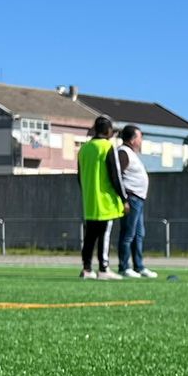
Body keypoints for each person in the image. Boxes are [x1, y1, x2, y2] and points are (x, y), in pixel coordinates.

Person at [76, 115, 125, 280]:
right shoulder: (107, 147)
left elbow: (79, 176)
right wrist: (124, 199)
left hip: (89, 200)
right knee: (104, 234)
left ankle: (87, 268)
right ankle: (104, 268)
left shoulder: (84, 148)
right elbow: (115, 175)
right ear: (108, 130)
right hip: (105, 200)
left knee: (90, 236)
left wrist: (87, 191)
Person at [112, 124, 155, 278]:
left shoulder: (131, 153)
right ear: (132, 139)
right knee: (128, 234)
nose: (141, 140)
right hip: (130, 197)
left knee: (138, 234)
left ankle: (139, 266)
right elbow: (117, 176)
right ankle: (124, 266)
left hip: (138, 198)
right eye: (139, 137)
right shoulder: (123, 152)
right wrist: (124, 199)